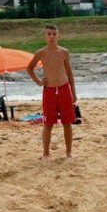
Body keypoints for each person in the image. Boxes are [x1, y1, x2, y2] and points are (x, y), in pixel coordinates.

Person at [26, 24, 77, 160]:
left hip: (64, 88)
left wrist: (74, 92)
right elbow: (29, 68)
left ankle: (69, 152)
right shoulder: (41, 53)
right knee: (48, 123)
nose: (52, 36)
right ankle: (46, 153)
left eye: (54, 34)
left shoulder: (64, 52)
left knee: (67, 122)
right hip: (49, 90)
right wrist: (38, 81)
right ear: (45, 37)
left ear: (58, 36)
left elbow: (69, 73)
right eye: (49, 34)